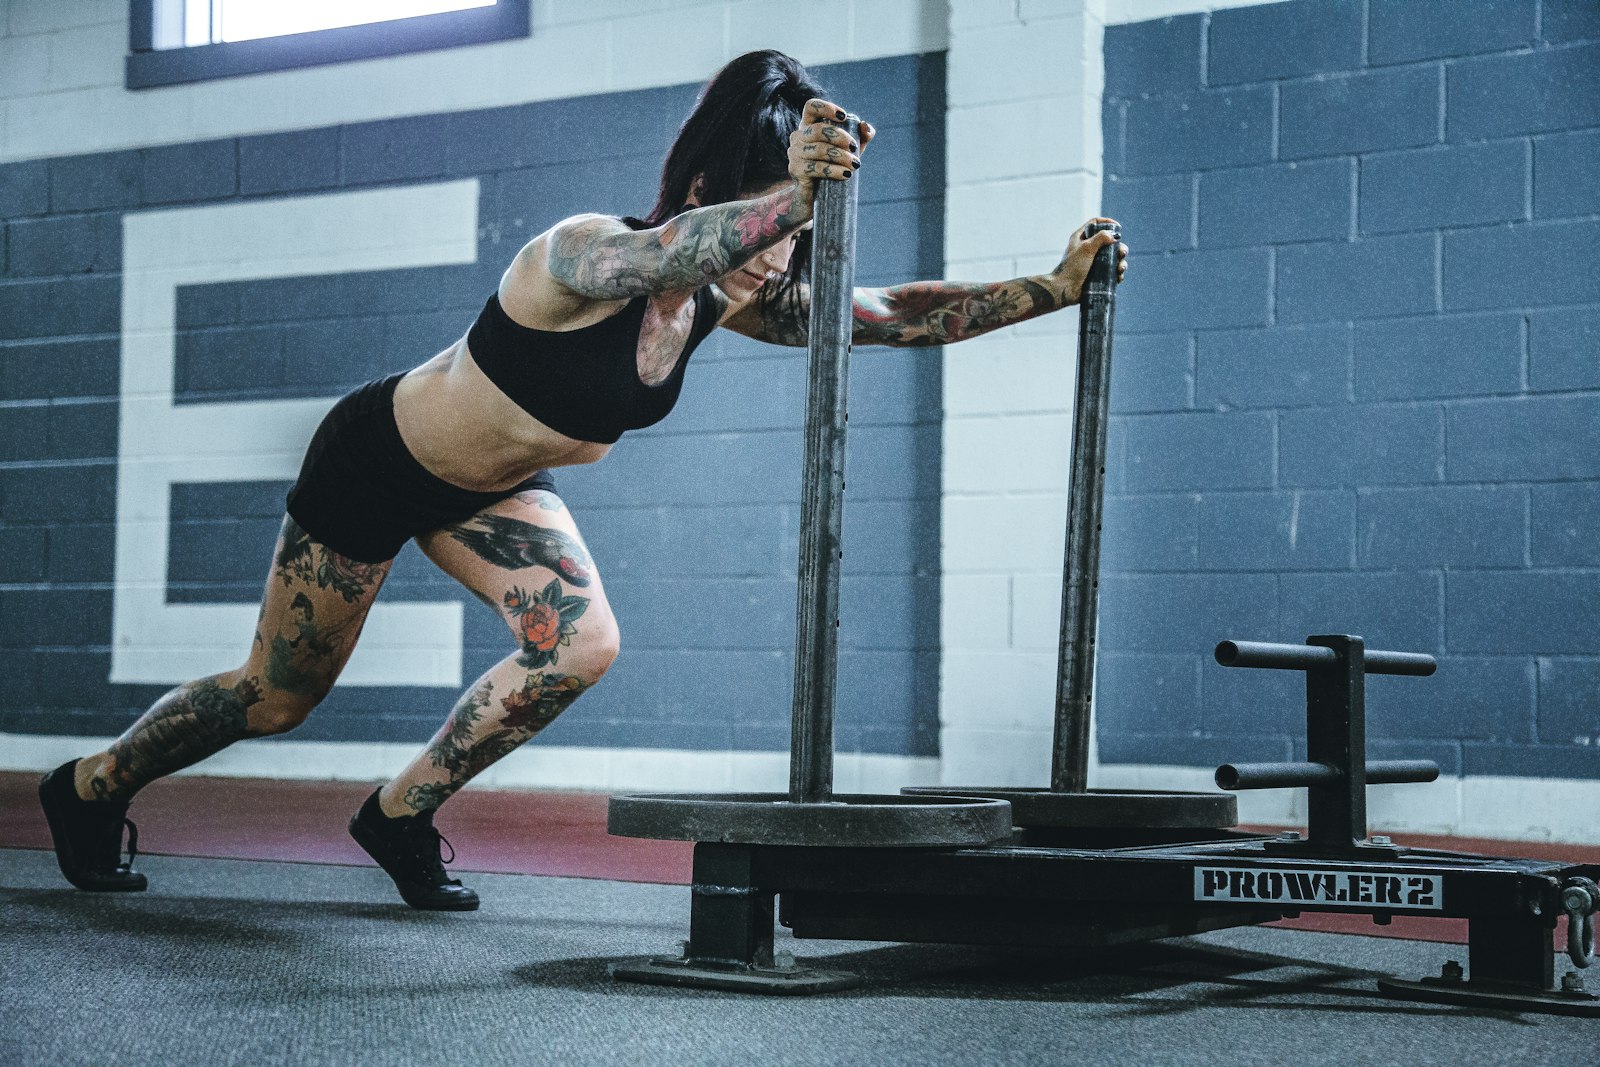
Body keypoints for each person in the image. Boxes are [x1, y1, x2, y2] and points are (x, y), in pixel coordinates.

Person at [38, 50, 1128, 911]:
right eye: (760, 224)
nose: (772, 268)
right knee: (275, 697)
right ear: (706, 190)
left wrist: (1051, 286)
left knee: (581, 643)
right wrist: (792, 200)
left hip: (489, 490)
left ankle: (399, 812)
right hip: (376, 463)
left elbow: (886, 316)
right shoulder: (585, 255)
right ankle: (88, 785)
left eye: (785, 241)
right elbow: (667, 256)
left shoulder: (737, 289)